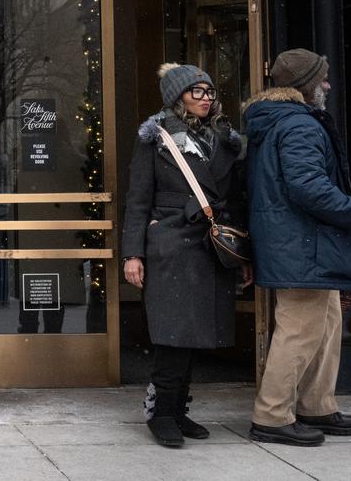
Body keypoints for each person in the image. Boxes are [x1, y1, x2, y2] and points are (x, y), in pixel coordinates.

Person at [243, 48, 351, 446]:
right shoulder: (298, 125)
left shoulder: (283, 121)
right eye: (321, 79)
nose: (327, 84)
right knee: (300, 330)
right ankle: (272, 415)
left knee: (326, 323)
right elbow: (309, 187)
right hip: (302, 244)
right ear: (306, 86)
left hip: (303, 243)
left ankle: (316, 405)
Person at [122, 63, 252, 447]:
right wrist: (133, 254)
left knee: (196, 334)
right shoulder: (156, 137)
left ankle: (178, 410)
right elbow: (138, 200)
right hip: (171, 245)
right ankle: (161, 413)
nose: (206, 98)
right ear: (177, 96)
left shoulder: (225, 138)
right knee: (173, 335)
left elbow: (237, 200)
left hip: (210, 247)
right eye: (197, 91)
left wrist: (243, 254)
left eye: (210, 91)